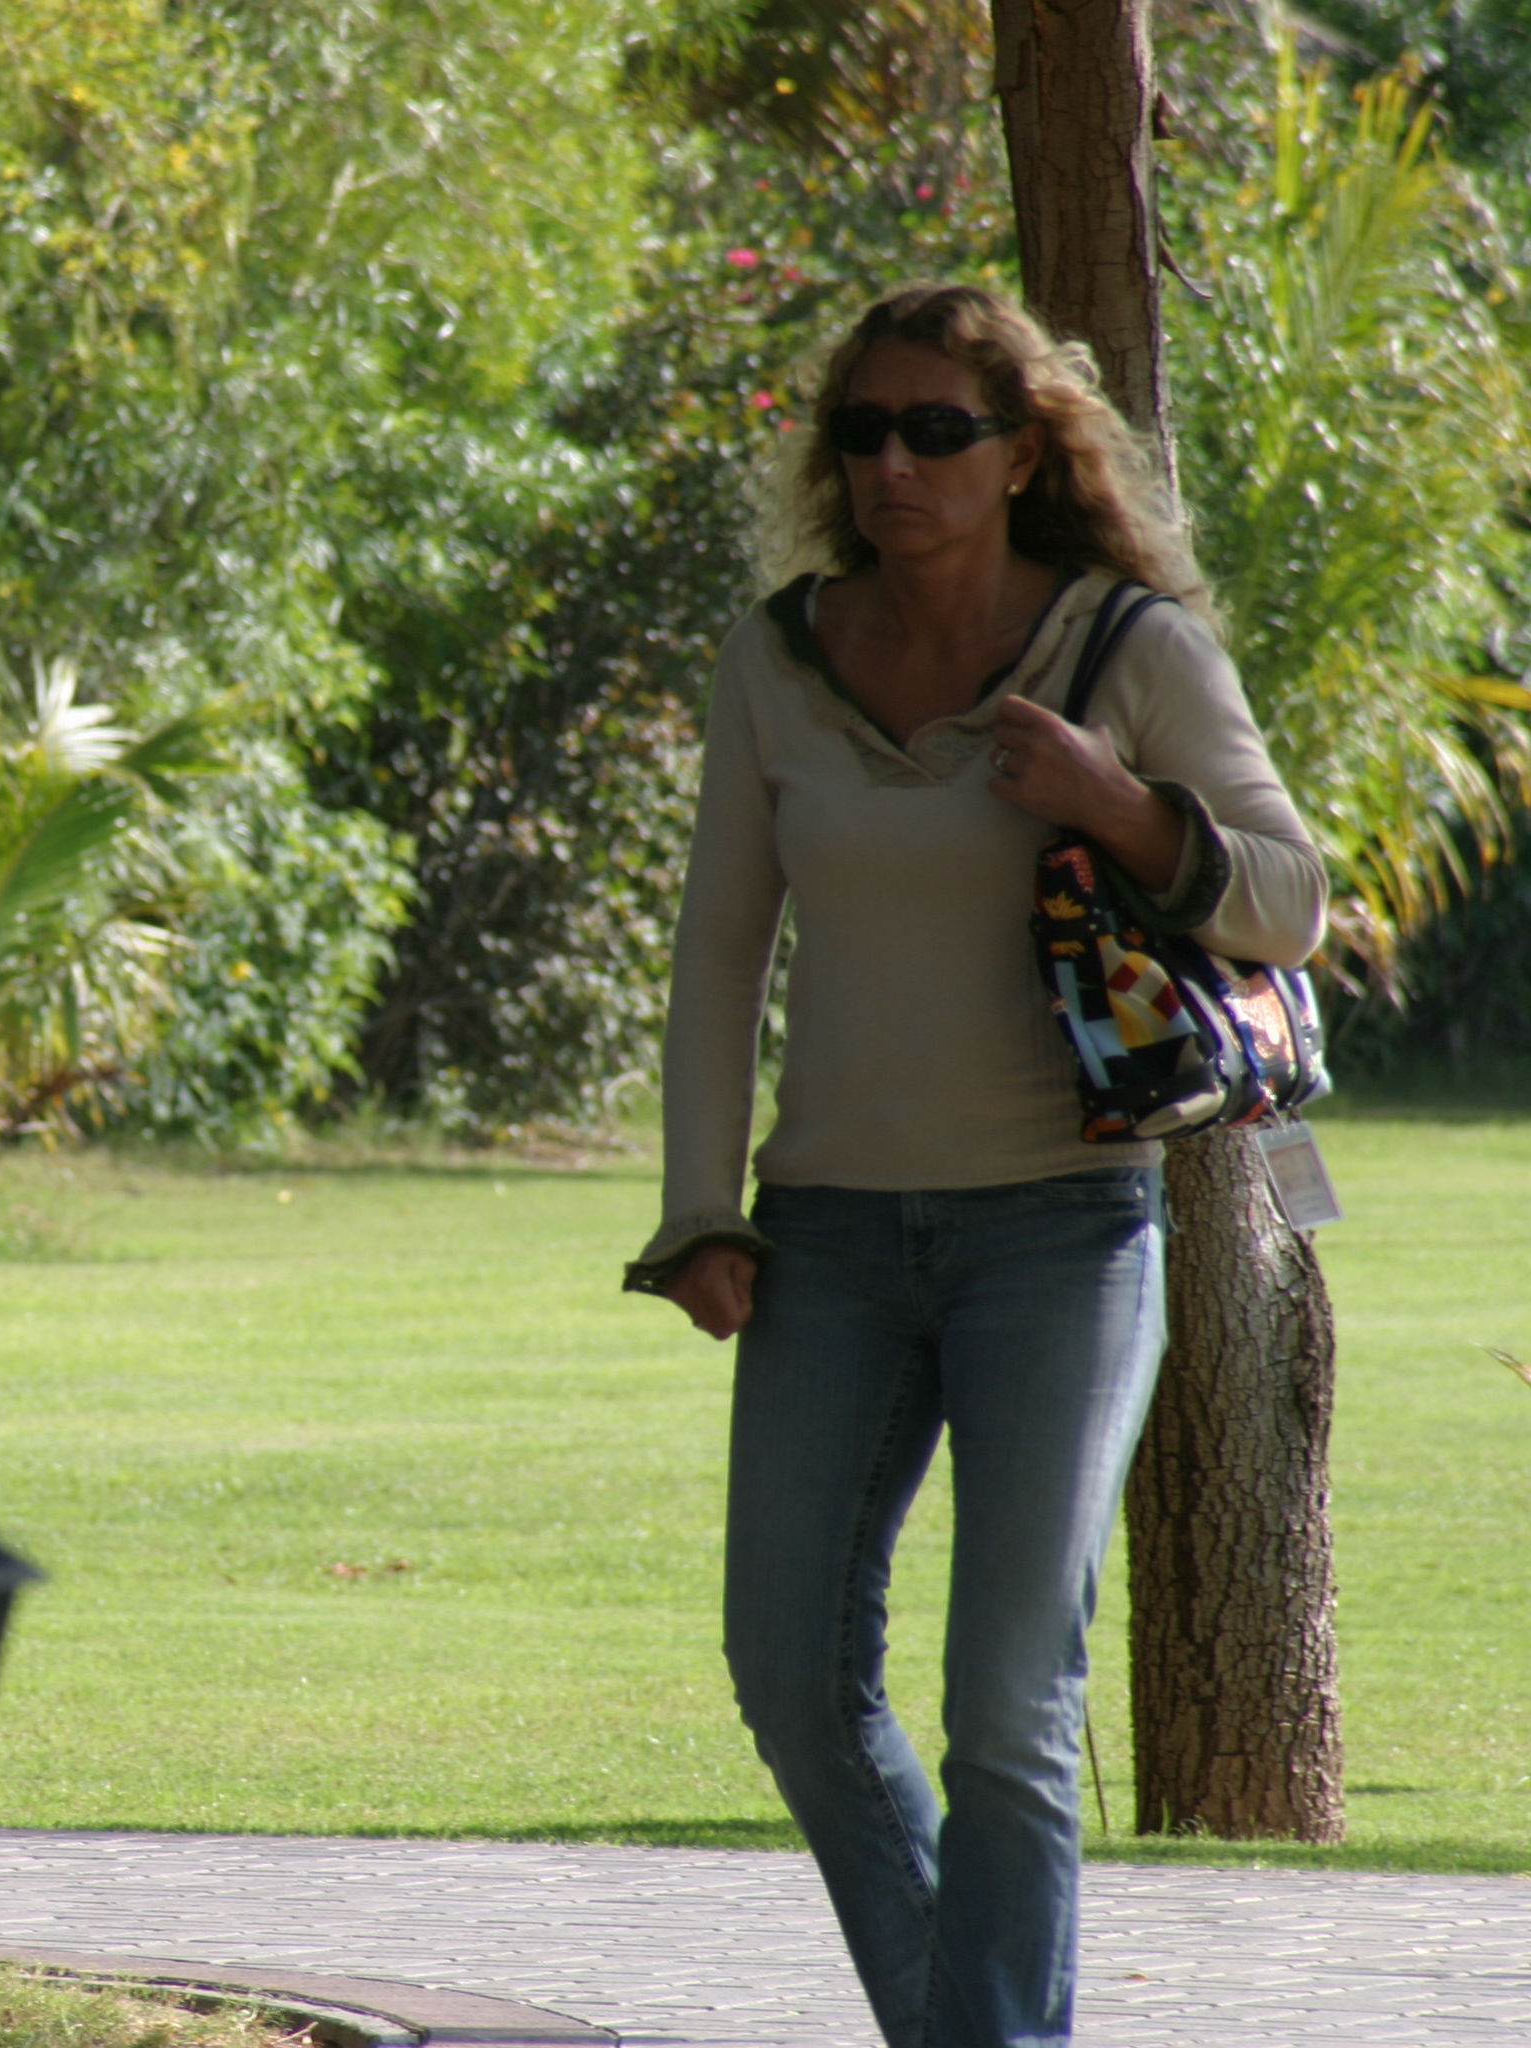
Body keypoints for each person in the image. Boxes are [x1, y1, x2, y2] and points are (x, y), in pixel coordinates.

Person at [625, 283, 1326, 2048]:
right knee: (789, 1674)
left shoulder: (1127, 647)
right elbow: (720, 950)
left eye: (938, 431)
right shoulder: (776, 657)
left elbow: (1290, 899)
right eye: (864, 432)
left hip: (1061, 1236)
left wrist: (1114, 801)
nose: (895, 465)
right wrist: (700, 1209)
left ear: (1022, 453)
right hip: (828, 1239)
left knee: (1011, 1700)